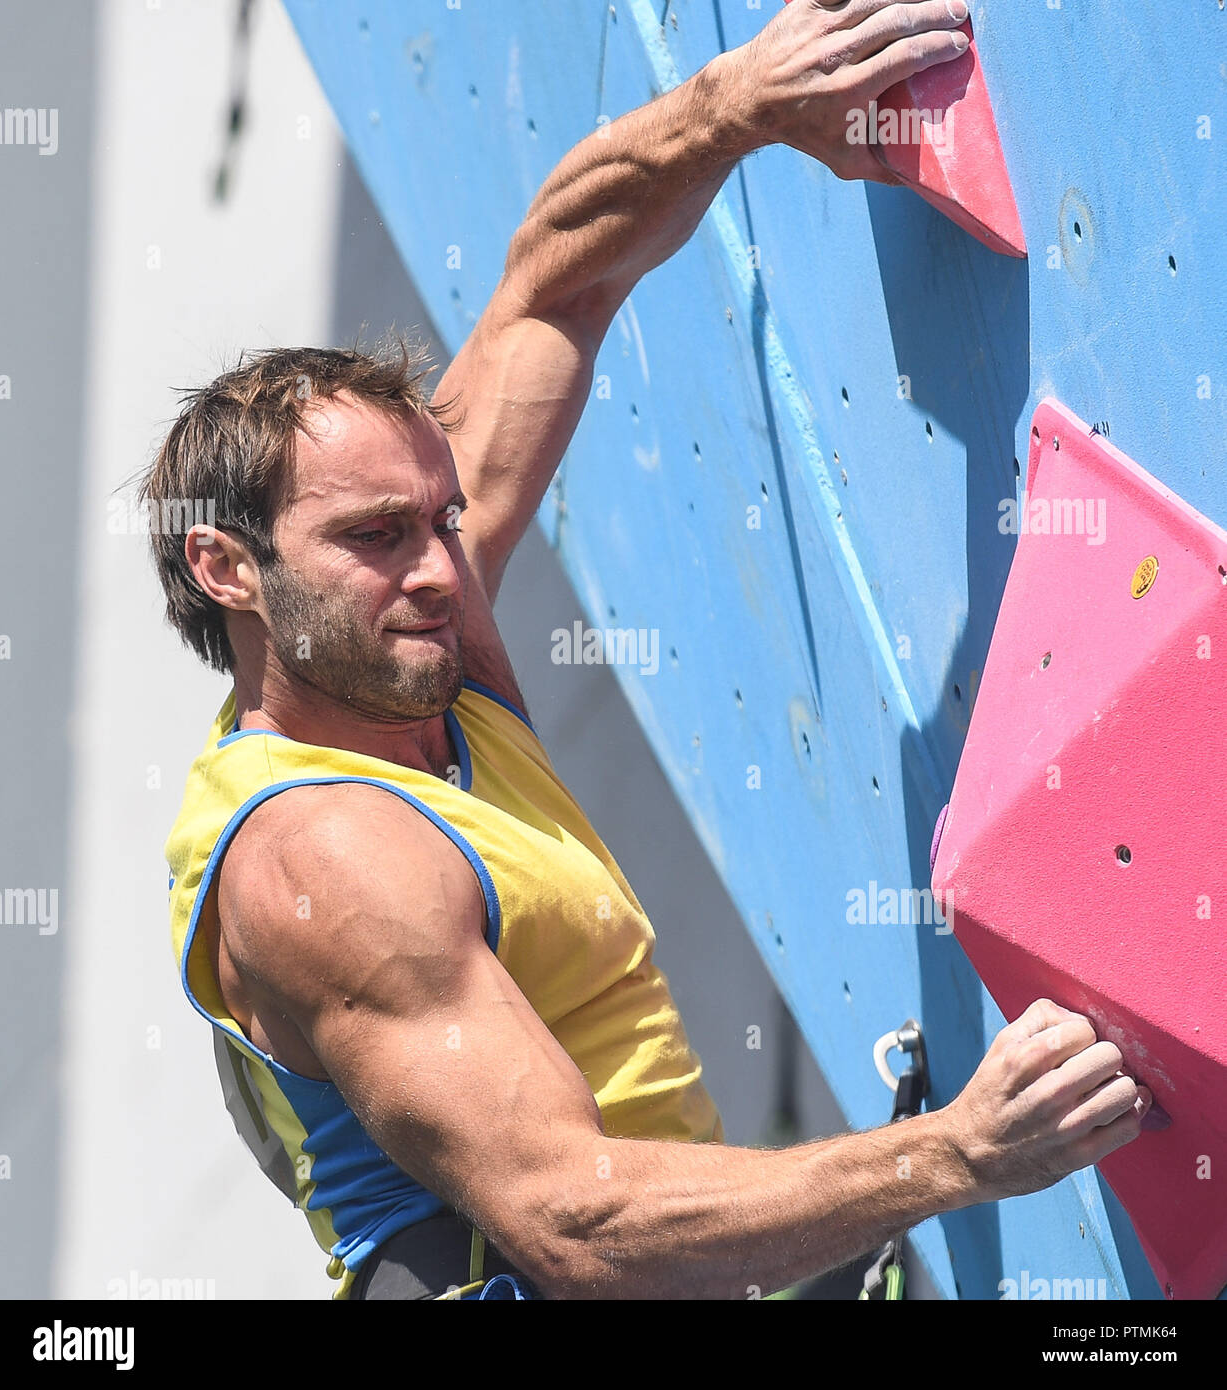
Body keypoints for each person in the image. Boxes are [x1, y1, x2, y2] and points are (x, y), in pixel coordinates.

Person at [149, 0, 1152, 1300]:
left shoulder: (396, 621)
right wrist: (954, 1154)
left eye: (448, 516)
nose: (448, 569)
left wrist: (739, 100)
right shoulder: (326, 862)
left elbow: (556, 274)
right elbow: (572, 1217)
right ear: (227, 569)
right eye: (382, 535)